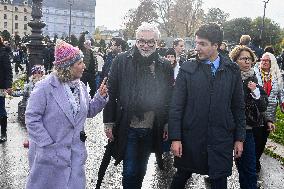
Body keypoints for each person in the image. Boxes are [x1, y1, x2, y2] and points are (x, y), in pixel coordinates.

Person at [169, 23, 246, 189]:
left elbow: (238, 106)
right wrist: (176, 138)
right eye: (196, 43)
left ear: (216, 45)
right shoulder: (187, 69)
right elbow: (176, 106)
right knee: (181, 177)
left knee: (219, 180)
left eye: (202, 44)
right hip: (191, 137)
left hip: (221, 138)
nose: (197, 48)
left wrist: (239, 138)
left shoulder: (232, 70)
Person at [25, 40, 108, 189]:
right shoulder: (45, 87)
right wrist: (47, 144)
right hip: (49, 156)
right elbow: (32, 118)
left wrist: (100, 98)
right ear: (68, 66)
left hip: (75, 157)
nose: (84, 66)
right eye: (80, 63)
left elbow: (87, 111)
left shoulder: (81, 86)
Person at [103, 22, 173, 189]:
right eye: (141, 40)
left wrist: (167, 123)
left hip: (152, 125)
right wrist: (108, 123)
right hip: (128, 124)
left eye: (151, 41)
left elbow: (169, 97)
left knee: (141, 169)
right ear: (135, 40)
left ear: (157, 42)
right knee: (130, 170)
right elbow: (110, 94)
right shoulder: (121, 60)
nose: (146, 45)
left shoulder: (164, 65)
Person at [230, 45, 268, 189]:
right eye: (242, 58)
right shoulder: (230, 78)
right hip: (229, 127)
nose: (247, 61)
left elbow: (264, 105)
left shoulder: (254, 79)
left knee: (249, 167)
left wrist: (255, 93)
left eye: (249, 58)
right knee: (232, 166)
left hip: (247, 129)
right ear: (235, 61)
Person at [253, 52, 283, 174]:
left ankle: (256, 159)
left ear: (272, 63)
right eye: (262, 60)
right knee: (255, 138)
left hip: (270, 112)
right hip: (255, 112)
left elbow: (281, 92)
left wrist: (282, 103)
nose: (263, 62)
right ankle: (253, 163)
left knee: (263, 140)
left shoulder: (277, 76)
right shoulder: (255, 73)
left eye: (267, 60)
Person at [0, 36, 13, 143]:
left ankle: (3, 133)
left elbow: (8, 71)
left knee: (1, 110)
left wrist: (9, 85)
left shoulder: (3, 54)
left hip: (0, 86)